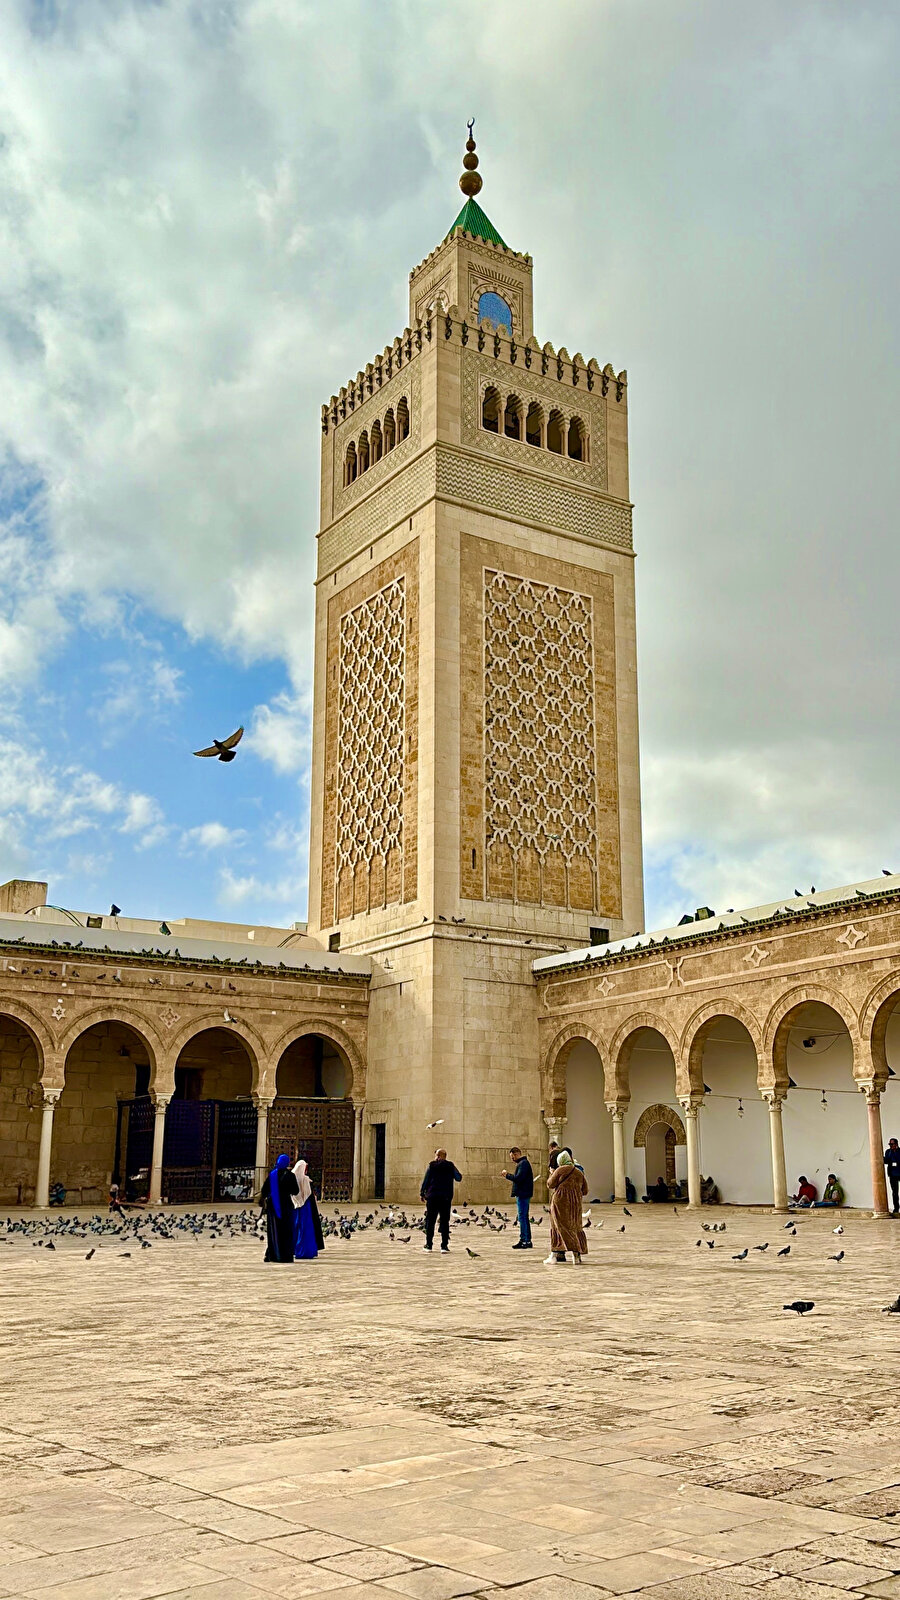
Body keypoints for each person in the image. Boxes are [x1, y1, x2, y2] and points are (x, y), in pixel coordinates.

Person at [546, 1150, 589, 1265]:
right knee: (574, 1227)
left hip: (560, 1202)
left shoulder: (560, 1170)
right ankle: (577, 1255)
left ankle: (554, 1255)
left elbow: (550, 1184)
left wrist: (552, 1173)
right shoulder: (579, 1172)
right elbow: (585, 1190)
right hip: (575, 1204)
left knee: (558, 1226)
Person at [420, 1147, 461, 1252]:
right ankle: (444, 1246)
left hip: (432, 1197)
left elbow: (426, 1180)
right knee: (444, 1221)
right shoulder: (450, 1166)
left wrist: (422, 1193)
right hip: (445, 1198)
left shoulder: (432, 1166)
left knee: (430, 1221)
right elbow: (459, 1177)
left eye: (437, 1155)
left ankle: (429, 1245)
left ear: (438, 1156)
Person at [260, 1153, 299, 1262]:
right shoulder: (290, 1176)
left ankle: (273, 1255)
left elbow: (264, 1191)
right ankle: (285, 1256)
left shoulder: (272, 1175)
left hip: (273, 1206)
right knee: (286, 1231)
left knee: (274, 1231)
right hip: (286, 1206)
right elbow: (295, 1191)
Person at [291, 1159, 324, 1259]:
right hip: (305, 1207)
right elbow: (307, 1193)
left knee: (296, 1227)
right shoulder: (305, 1179)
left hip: (296, 1206)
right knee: (306, 1228)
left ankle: (295, 1249)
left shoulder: (292, 1177)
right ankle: (305, 1251)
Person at [502, 1146, 534, 1249]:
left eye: (512, 1157)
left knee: (522, 1217)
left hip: (523, 1194)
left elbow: (518, 1179)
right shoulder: (523, 1163)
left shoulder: (523, 1164)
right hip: (524, 1193)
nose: (512, 1159)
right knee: (524, 1217)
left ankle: (524, 1240)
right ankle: (527, 1240)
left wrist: (507, 1175)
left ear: (516, 1154)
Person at [885, 1139, 900, 1216]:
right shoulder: (888, 1151)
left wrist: (895, 1152)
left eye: (892, 1144)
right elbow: (886, 1161)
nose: (891, 1146)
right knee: (894, 1192)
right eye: (890, 1144)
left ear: (896, 1144)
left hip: (899, 1172)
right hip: (892, 1174)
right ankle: (896, 1208)